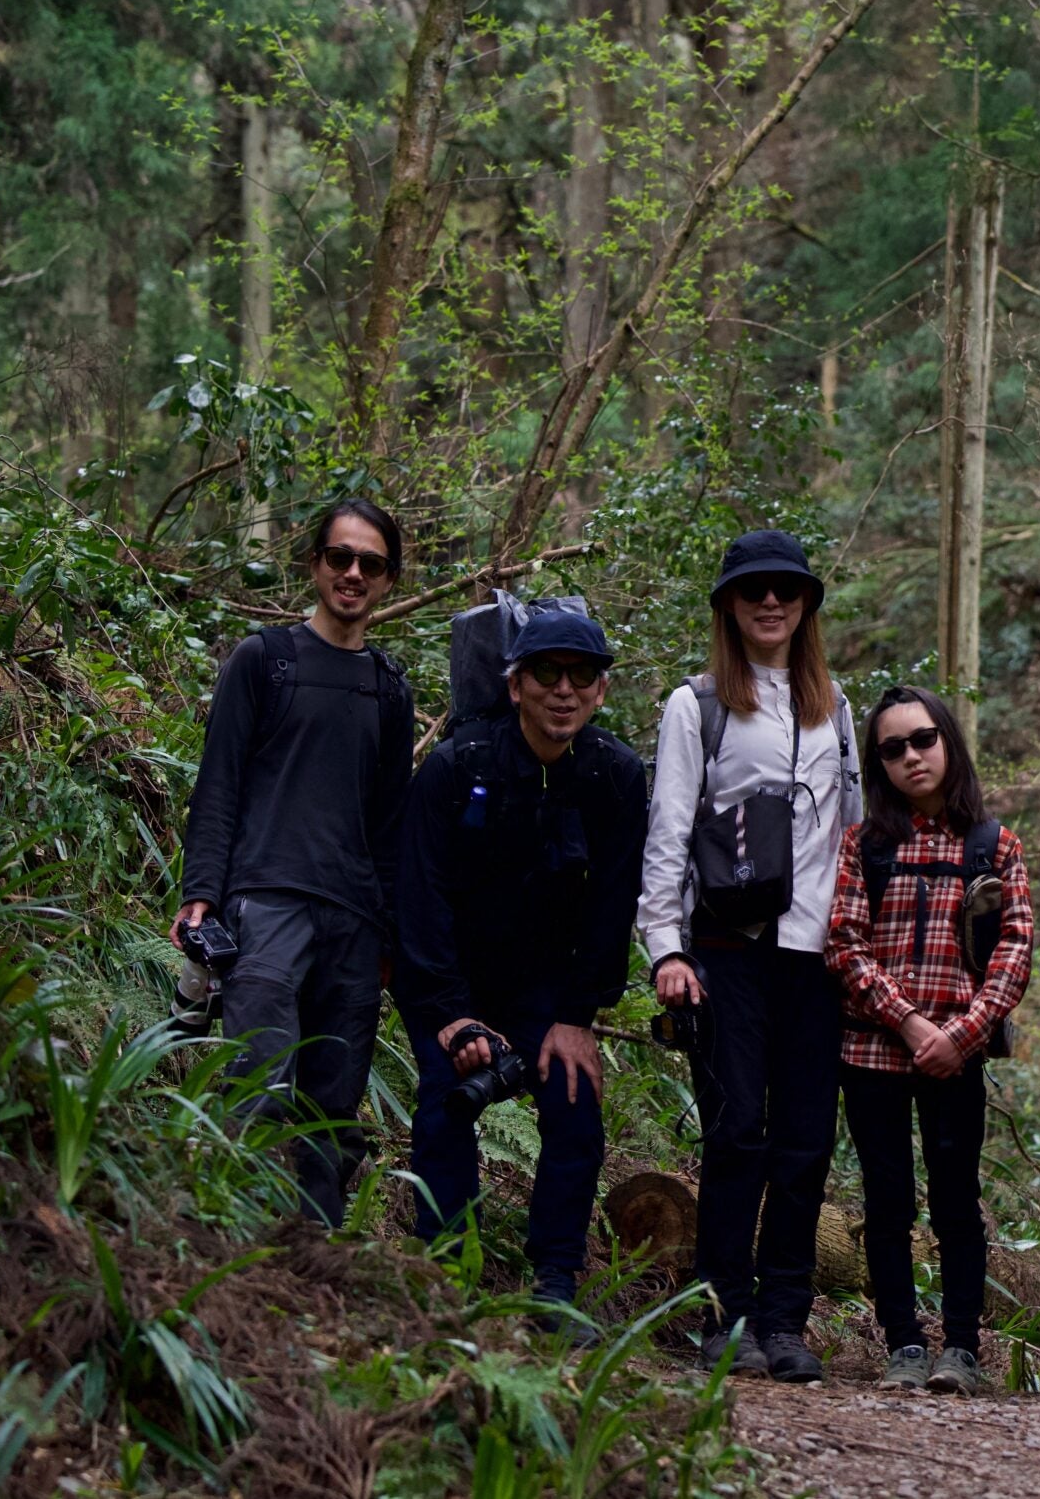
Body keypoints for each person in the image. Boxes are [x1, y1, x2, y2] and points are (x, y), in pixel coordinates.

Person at [637, 530, 861, 1381]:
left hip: (818, 959)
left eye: (786, 589)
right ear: (729, 604)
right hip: (728, 951)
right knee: (736, 1133)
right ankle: (723, 1315)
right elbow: (670, 828)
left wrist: (860, 946)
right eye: (753, 588)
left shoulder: (835, 707)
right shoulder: (696, 704)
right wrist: (665, 946)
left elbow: (851, 835)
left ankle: (785, 1319)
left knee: (806, 1141)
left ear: (806, 604)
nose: (771, 601)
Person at [392, 609, 648, 1326]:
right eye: (546, 673)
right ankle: (447, 1272)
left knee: (574, 1104)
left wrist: (578, 1015)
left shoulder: (615, 775)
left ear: (601, 690)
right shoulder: (457, 767)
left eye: (582, 675)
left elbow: (613, 904)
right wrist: (451, 1014)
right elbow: (420, 894)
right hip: (452, 979)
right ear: (515, 685)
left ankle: (555, 1280)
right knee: (447, 1102)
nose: (564, 690)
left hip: (548, 987)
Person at [177, 500, 413, 1226]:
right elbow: (219, 782)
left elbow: (390, 824)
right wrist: (201, 894)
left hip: (353, 922)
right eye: (340, 557)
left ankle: (318, 1258)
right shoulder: (264, 660)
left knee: (332, 1108)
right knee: (257, 1081)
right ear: (314, 564)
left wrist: (389, 933)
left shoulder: (389, 688)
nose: (353, 573)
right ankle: (234, 1241)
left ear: (388, 580)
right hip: (266, 903)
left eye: (370, 563)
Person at [822, 687, 1033, 1398]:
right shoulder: (864, 845)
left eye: (922, 739)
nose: (911, 756)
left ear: (947, 740)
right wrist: (912, 1023)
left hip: (957, 1057)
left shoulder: (993, 845)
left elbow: (1014, 952)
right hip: (872, 1053)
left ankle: (961, 1347)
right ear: (878, 763)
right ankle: (903, 1343)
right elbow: (845, 945)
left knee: (956, 1200)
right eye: (893, 748)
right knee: (887, 1201)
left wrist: (961, 1034)